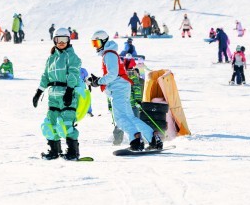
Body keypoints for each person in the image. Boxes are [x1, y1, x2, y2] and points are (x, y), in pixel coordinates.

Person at [88, 30, 162, 151]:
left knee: (120, 119)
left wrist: (99, 81)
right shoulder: (110, 54)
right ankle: (153, 138)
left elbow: (112, 74)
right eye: (94, 44)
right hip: (122, 86)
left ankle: (135, 140)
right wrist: (98, 80)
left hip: (118, 88)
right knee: (130, 117)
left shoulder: (109, 54)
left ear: (104, 41)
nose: (96, 46)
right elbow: (114, 74)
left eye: (97, 43)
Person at [32, 27, 82, 160]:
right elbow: (45, 76)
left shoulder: (72, 56)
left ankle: (73, 152)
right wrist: (38, 92)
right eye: (58, 39)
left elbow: (74, 73)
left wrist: (69, 90)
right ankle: (54, 150)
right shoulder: (51, 58)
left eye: (64, 39)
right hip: (53, 96)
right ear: (54, 40)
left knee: (67, 124)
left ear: (69, 40)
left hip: (66, 95)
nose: (61, 42)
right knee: (50, 123)